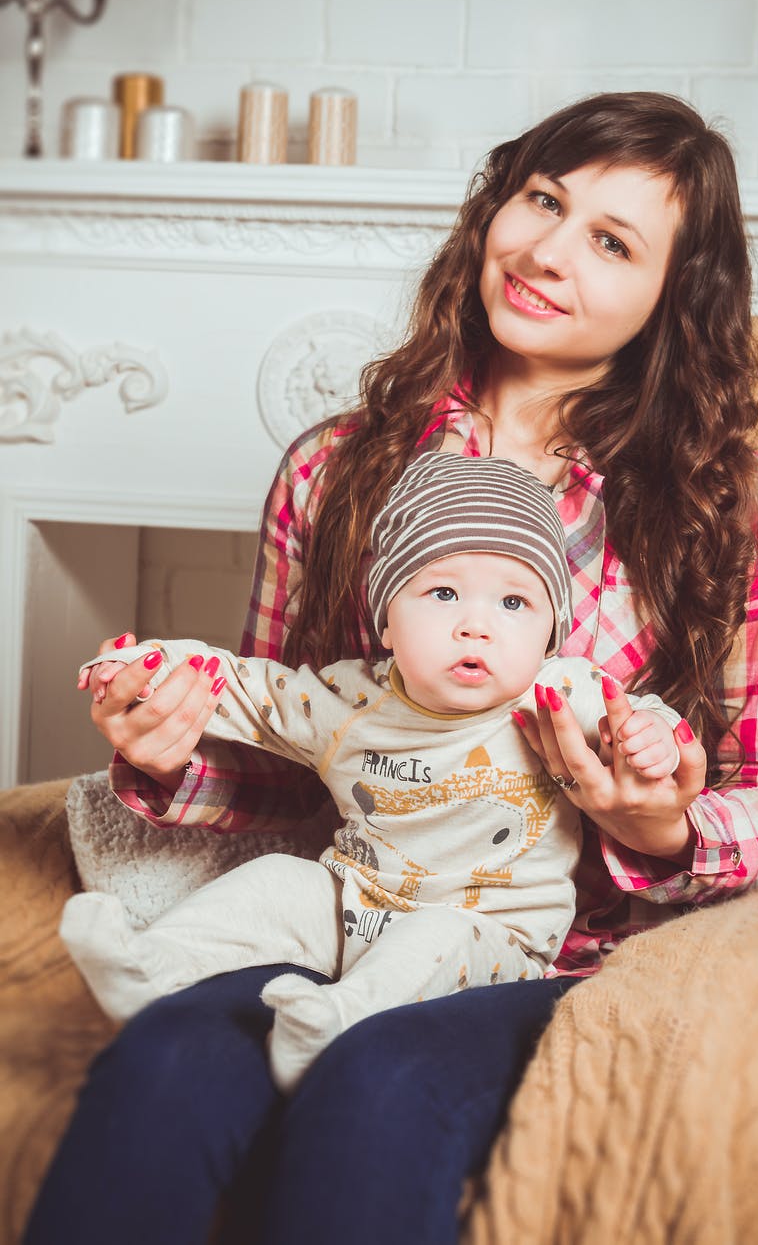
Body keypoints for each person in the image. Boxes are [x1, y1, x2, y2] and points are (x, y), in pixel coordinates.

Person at [25, 91, 758, 1245]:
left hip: (544, 947)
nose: (548, 249)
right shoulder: (334, 468)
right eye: (542, 200)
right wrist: (170, 749)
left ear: (672, 297)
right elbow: (301, 754)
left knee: (378, 1087)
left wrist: (659, 827)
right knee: (163, 1064)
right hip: (353, 902)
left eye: (612, 240)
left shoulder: (731, 505)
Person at [61, 452, 680, 1090]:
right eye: (443, 593)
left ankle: (335, 1021)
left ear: (553, 631)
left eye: (515, 601)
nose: (476, 626)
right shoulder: (347, 701)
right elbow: (243, 686)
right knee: (276, 879)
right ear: (387, 620)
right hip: (355, 905)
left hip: (489, 938)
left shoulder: (560, 693)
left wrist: (652, 738)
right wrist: (150, 665)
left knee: (435, 935)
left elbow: (637, 719)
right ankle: (150, 965)